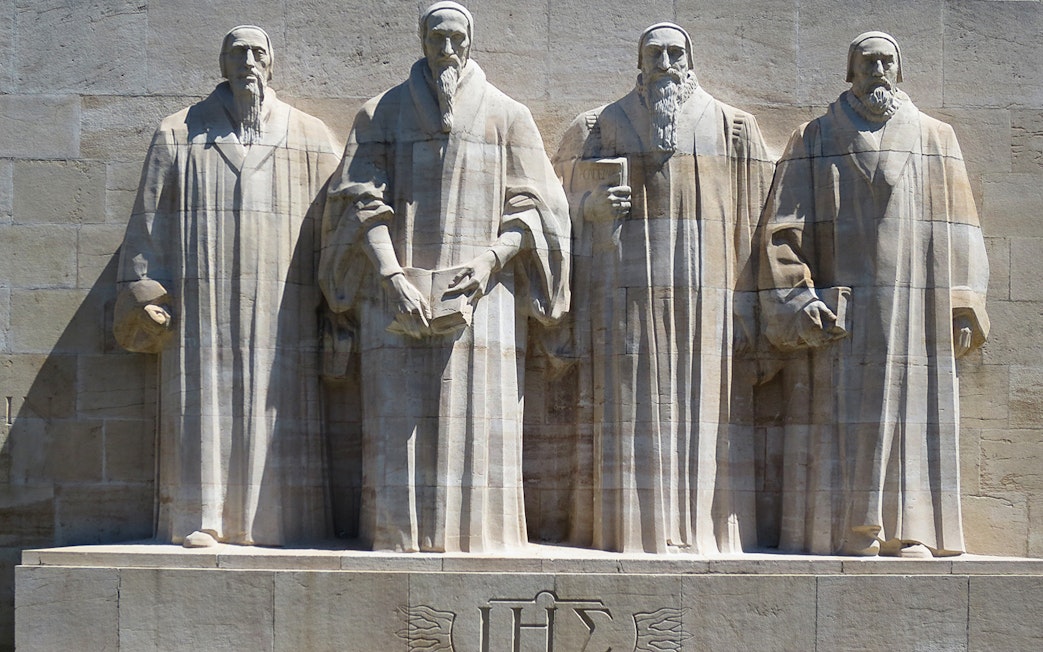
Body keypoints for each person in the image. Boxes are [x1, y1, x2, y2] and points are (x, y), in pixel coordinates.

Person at [318, 2, 570, 552]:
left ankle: (481, 539)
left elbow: (538, 208)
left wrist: (489, 263)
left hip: (485, 299)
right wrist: (391, 277)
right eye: (437, 38)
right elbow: (358, 201)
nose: (448, 49)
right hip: (394, 296)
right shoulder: (380, 114)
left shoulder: (508, 115)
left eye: (457, 38)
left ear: (471, 42)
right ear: (423, 41)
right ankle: (398, 539)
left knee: (479, 425)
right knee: (396, 426)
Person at [758, 32, 989, 556]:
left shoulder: (935, 137)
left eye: (887, 62)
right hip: (840, 313)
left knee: (914, 412)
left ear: (899, 71)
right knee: (837, 414)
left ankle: (912, 531)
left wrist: (962, 302)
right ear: (851, 72)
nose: (878, 71)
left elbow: (961, 226)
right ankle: (841, 531)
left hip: (916, 308)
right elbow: (782, 229)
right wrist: (798, 298)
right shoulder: (814, 137)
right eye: (868, 62)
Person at [115, 25, 341, 547]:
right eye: (238, 53)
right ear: (223, 63)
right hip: (203, 303)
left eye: (258, 53)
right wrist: (146, 294)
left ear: (271, 63)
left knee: (278, 400)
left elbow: (340, 223)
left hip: (285, 303)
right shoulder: (179, 133)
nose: (248, 62)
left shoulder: (309, 135)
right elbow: (148, 224)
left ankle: (284, 521)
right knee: (204, 402)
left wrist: (338, 306)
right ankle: (203, 517)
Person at [554, 23, 773, 553]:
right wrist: (590, 209)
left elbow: (758, 221)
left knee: (707, 410)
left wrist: (750, 306)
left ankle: (701, 532)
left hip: (708, 297)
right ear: (640, 62)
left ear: (690, 60)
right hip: (623, 296)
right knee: (628, 405)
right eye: (655, 53)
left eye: (676, 53)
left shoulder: (732, 128)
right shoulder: (599, 125)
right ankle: (629, 531)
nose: (666, 63)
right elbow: (554, 207)